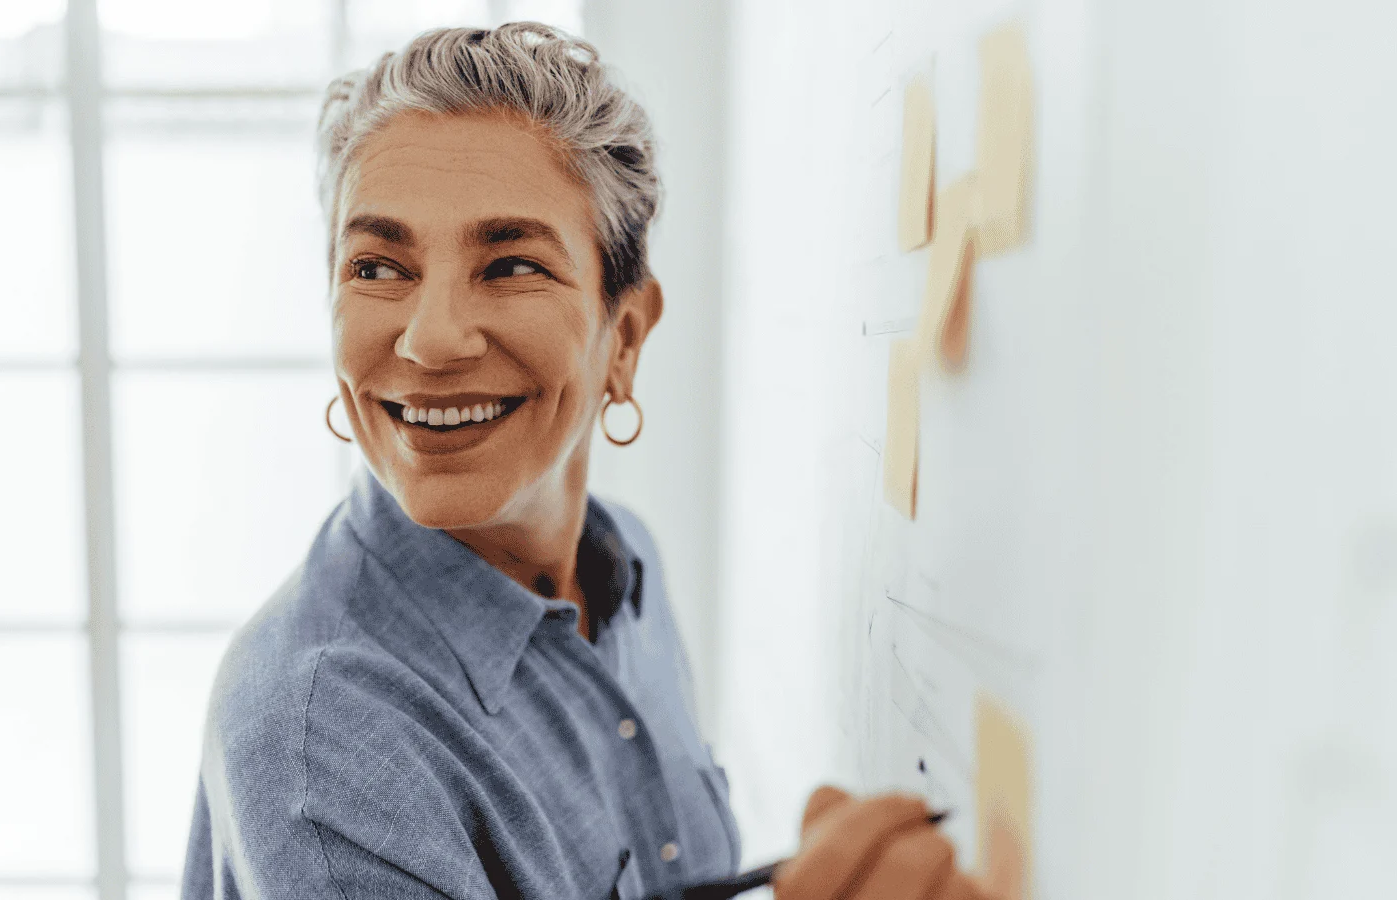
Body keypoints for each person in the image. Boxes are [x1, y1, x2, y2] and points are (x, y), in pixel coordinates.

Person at [179, 22, 993, 900]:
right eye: (377, 267)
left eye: (510, 264)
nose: (430, 337)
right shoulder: (322, 745)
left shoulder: (626, 568)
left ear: (626, 338)